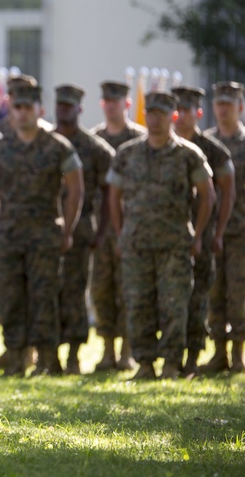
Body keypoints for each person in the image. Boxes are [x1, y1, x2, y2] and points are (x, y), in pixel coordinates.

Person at [108, 91, 213, 380]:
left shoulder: (188, 154)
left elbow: (208, 195)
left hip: (175, 245)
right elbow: (113, 195)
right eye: (151, 113)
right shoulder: (127, 153)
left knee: (174, 305)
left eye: (161, 114)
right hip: (137, 244)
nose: (154, 119)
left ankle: (170, 364)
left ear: (173, 117)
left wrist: (198, 234)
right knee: (138, 303)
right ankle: (144, 364)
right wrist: (120, 233)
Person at [0, 79, 83, 377]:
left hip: (44, 236)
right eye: (18, 107)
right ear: (10, 110)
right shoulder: (0, 148)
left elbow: (75, 188)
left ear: (40, 109)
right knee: (10, 297)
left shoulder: (57, 146)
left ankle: (47, 359)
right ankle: (15, 357)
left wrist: (66, 230)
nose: (23, 113)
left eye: (28, 107)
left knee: (45, 297)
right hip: (10, 237)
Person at [203, 81, 245, 374]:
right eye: (219, 104)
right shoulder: (205, 143)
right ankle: (218, 352)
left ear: (240, 107)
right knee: (214, 291)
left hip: (242, 232)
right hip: (212, 231)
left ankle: (239, 354)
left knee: (239, 291)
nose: (223, 109)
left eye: (229, 104)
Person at [171, 86, 235, 377]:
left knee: (197, 298)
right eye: (177, 110)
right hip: (167, 238)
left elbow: (226, 194)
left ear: (197, 112)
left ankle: (193, 357)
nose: (180, 116)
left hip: (200, 239)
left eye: (186, 110)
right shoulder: (163, 147)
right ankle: (168, 357)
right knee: (169, 299)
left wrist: (217, 233)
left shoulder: (212, 150)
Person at [52, 84, 114, 375]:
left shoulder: (94, 148)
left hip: (80, 231)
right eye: (60, 105)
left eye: (69, 106)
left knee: (75, 293)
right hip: (44, 230)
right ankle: (48, 355)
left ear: (79, 109)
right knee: (45, 292)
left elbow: (110, 194)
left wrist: (102, 231)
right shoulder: (44, 142)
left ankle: (74, 356)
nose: (63, 110)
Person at [89, 80, 146, 372]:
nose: (111, 104)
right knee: (101, 289)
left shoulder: (140, 139)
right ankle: (107, 351)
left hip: (131, 228)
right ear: (102, 104)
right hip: (101, 229)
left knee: (128, 290)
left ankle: (127, 351)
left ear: (126, 103)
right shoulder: (93, 139)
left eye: (117, 100)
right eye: (106, 100)